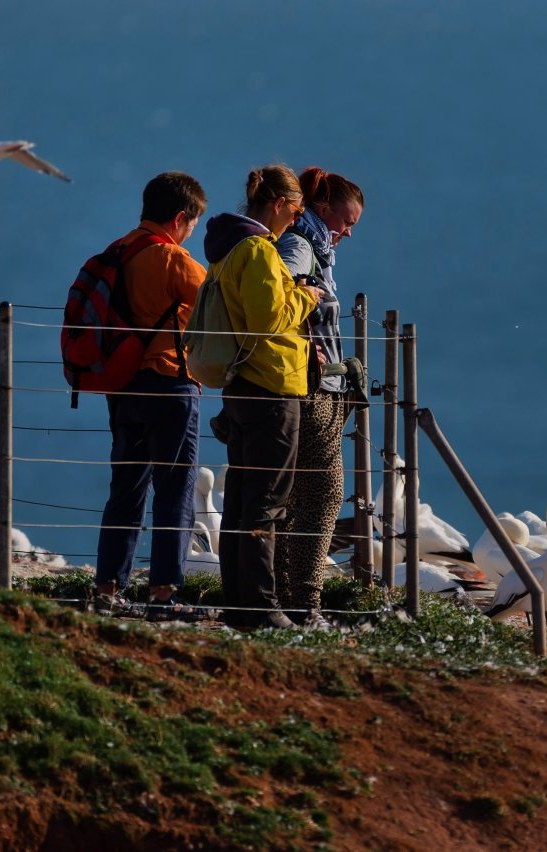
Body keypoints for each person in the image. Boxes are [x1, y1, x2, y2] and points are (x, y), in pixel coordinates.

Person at [202, 164, 322, 629]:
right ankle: (261, 606)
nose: (294, 222)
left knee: (243, 500)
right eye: (293, 212)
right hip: (271, 385)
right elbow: (270, 318)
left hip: (244, 386)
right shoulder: (257, 250)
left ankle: (241, 602)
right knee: (267, 502)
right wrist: (305, 295)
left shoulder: (228, 249)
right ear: (277, 205)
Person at [94, 171, 210, 622]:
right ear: (181, 218)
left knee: (125, 488)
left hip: (123, 386)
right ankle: (164, 593)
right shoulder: (174, 260)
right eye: (193, 225)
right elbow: (217, 308)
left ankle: (108, 585)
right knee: (176, 489)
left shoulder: (117, 252)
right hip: (170, 383)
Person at [273, 169, 364, 625]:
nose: (348, 232)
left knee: (291, 496)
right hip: (311, 388)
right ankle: (304, 602)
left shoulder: (313, 246)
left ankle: (282, 594)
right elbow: (276, 301)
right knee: (325, 494)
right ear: (322, 208)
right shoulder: (301, 246)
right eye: (346, 221)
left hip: (311, 385)